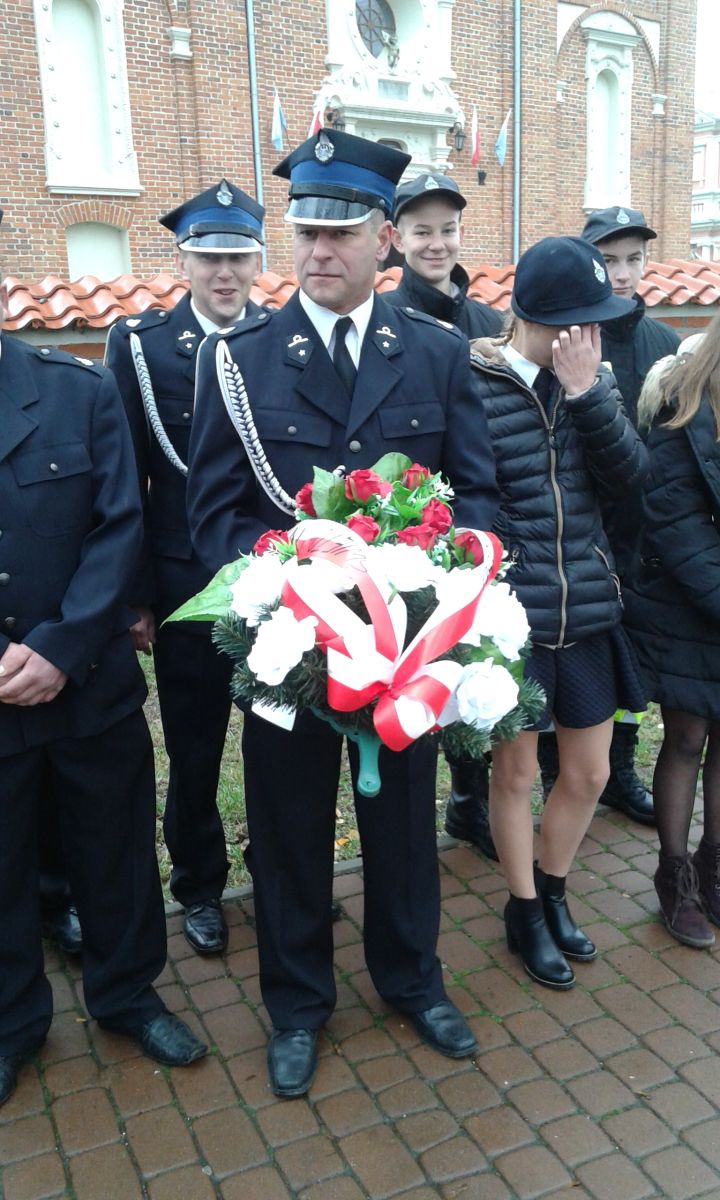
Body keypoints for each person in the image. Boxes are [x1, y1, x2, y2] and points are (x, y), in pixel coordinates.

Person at [187, 129, 499, 1098]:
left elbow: (477, 496)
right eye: (307, 234)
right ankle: (296, 1005)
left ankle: (412, 980)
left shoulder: (438, 355)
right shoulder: (240, 361)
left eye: (341, 233)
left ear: (384, 241)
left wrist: (442, 594)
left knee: (402, 821)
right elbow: (213, 516)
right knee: (287, 828)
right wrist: (288, 592)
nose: (319, 251)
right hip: (290, 651)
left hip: (401, 654)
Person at [0, 229, 206, 1107]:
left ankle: (127, 995)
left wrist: (61, 646)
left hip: (89, 685)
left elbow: (122, 525)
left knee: (115, 853)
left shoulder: (75, 390)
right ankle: (12, 1022)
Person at [469, 236, 647, 989]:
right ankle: (523, 912)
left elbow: (630, 481)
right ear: (540, 319)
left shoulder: (593, 382)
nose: (595, 335)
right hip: (513, 618)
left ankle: (552, 891)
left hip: (590, 609)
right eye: (584, 321)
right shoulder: (473, 381)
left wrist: (587, 395)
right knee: (515, 775)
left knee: (589, 771)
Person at [105, 180, 265, 956]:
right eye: (209, 257)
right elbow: (126, 478)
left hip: (271, 585)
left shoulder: (280, 338)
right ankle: (199, 884)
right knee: (195, 748)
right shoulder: (139, 346)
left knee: (279, 744)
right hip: (182, 587)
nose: (224, 272)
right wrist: (135, 596)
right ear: (184, 261)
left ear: (257, 261)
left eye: (238, 257)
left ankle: (278, 870)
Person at [537, 208, 679, 826]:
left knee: (631, 662)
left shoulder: (665, 344)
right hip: (579, 536)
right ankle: (557, 776)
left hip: (642, 533)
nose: (623, 274)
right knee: (569, 665)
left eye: (633, 259)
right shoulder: (564, 340)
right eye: (610, 260)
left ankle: (619, 771)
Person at [385, 172, 503, 861]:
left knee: (473, 662)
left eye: (448, 230)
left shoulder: (489, 323)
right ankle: (437, 801)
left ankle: (470, 797)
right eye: (422, 231)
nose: (437, 243)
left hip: (483, 506)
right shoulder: (390, 320)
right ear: (396, 240)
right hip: (415, 523)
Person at [624, 317, 720, 948]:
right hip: (689, 607)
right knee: (686, 739)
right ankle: (675, 875)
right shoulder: (681, 406)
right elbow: (674, 522)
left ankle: (714, 867)